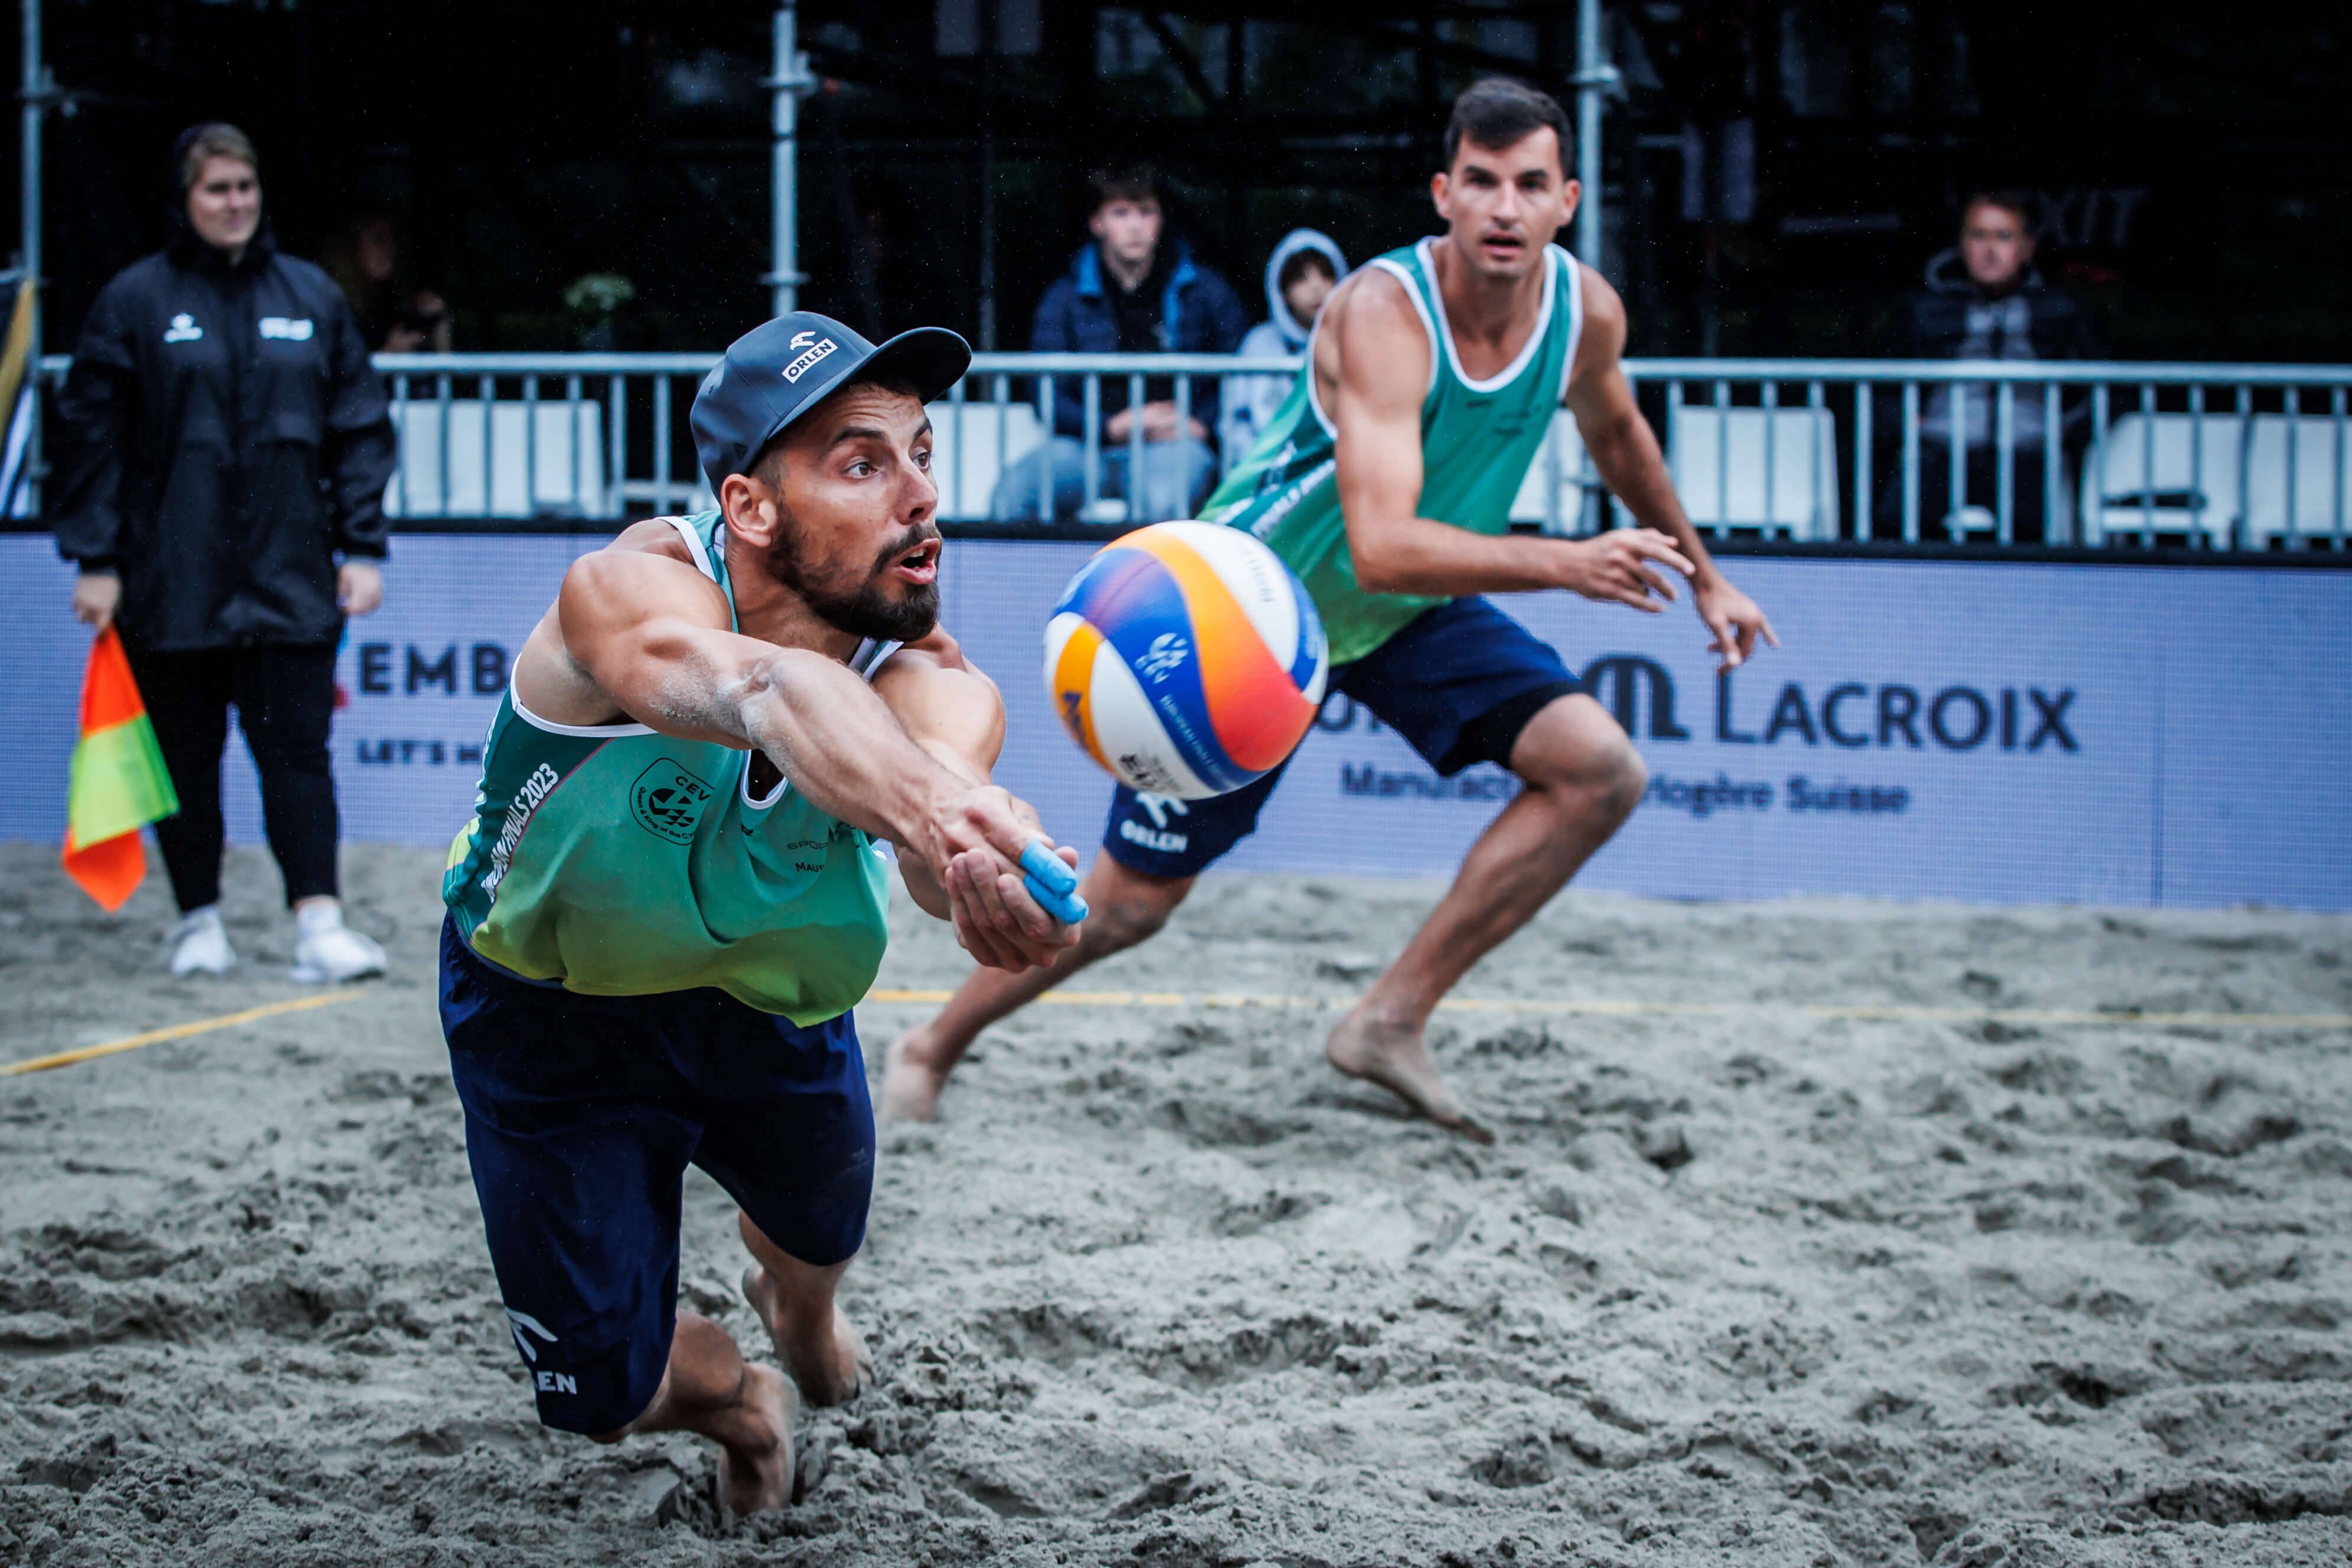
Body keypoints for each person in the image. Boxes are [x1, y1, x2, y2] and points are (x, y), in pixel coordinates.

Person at [887, 79, 1777, 1140]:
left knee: (1599, 770)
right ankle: (927, 1046)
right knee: (1129, 905)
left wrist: (1706, 571)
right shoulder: (1383, 312)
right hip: (1252, 609)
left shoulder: (1584, 311)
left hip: (1406, 608)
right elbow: (1382, 541)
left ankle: (1388, 1019)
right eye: (1482, 182)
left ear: (1567, 200)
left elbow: (1620, 432)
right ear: (1442, 192)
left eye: (1529, 185)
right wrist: (1567, 561)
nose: (1503, 207)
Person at [437, 311, 1083, 1515]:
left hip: (767, 1000)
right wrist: (943, 810)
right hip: (552, 1012)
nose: (921, 497)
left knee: (815, 1242)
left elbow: (942, 826)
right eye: (862, 463)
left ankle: (803, 1309)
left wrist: (989, 864)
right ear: (747, 508)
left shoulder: (931, 673)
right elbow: (763, 686)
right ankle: (747, 1405)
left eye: (922, 453)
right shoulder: (621, 596)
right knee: (603, 1391)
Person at [51, 123, 395, 983]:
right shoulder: (133, 301)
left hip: (292, 581)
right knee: (185, 763)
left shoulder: (311, 296)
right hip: (172, 583)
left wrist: (363, 544)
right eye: (217, 190)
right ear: (185, 199)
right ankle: (196, 920)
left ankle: (320, 923)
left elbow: (358, 429)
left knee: (298, 758)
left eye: (245, 186)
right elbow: (91, 438)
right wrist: (96, 559)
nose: (235, 203)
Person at [990, 164, 1247, 523]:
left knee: (1162, 506)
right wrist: (1110, 426)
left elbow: (1241, 371)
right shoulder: (1064, 297)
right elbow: (1044, 392)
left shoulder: (1206, 291)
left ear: (1161, 219)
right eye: (1121, 212)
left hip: (1173, 445)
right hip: (1086, 447)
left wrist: (1201, 425)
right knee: (1012, 497)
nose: (1135, 225)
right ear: (1098, 223)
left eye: (1146, 211)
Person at [1878, 191, 2100, 541]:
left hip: (2027, 453)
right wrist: (1905, 421)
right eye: (1978, 235)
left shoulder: (2059, 311)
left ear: (2027, 247)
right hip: (1941, 450)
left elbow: (2100, 385)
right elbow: (1885, 380)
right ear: (1962, 244)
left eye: (2003, 237)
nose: (1990, 250)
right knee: (1894, 524)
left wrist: (2068, 427)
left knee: (2041, 543)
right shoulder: (1926, 310)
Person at [1220, 228, 1346, 460]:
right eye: (1302, 278)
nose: (1317, 287)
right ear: (1282, 289)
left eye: (1326, 275)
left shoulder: (1355, 340)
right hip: (1268, 474)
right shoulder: (1257, 345)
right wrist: (1258, 467)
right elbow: (1236, 423)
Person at [320, 213, 451, 353]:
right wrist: (388, 354)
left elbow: (445, 365)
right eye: (378, 239)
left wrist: (438, 323)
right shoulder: (334, 304)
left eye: (393, 239)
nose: (390, 248)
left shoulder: (393, 299)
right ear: (353, 247)